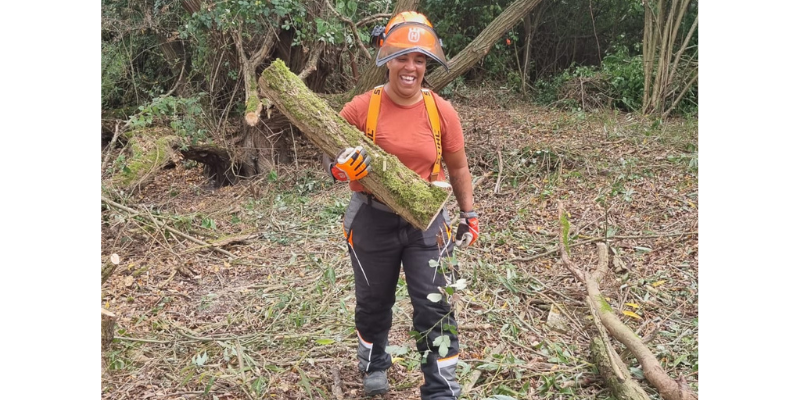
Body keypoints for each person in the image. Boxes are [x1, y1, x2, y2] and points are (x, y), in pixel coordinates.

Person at [325, 11, 479, 399]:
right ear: (387, 59)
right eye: (403, 57)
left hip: (427, 221)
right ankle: (374, 363)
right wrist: (342, 168)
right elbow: (330, 157)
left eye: (420, 59)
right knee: (373, 300)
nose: (411, 67)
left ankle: (442, 385)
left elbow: (458, 167)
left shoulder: (440, 110)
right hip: (371, 218)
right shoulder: (361, 108)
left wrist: (469, 214)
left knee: (434, 302)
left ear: (427, 65)